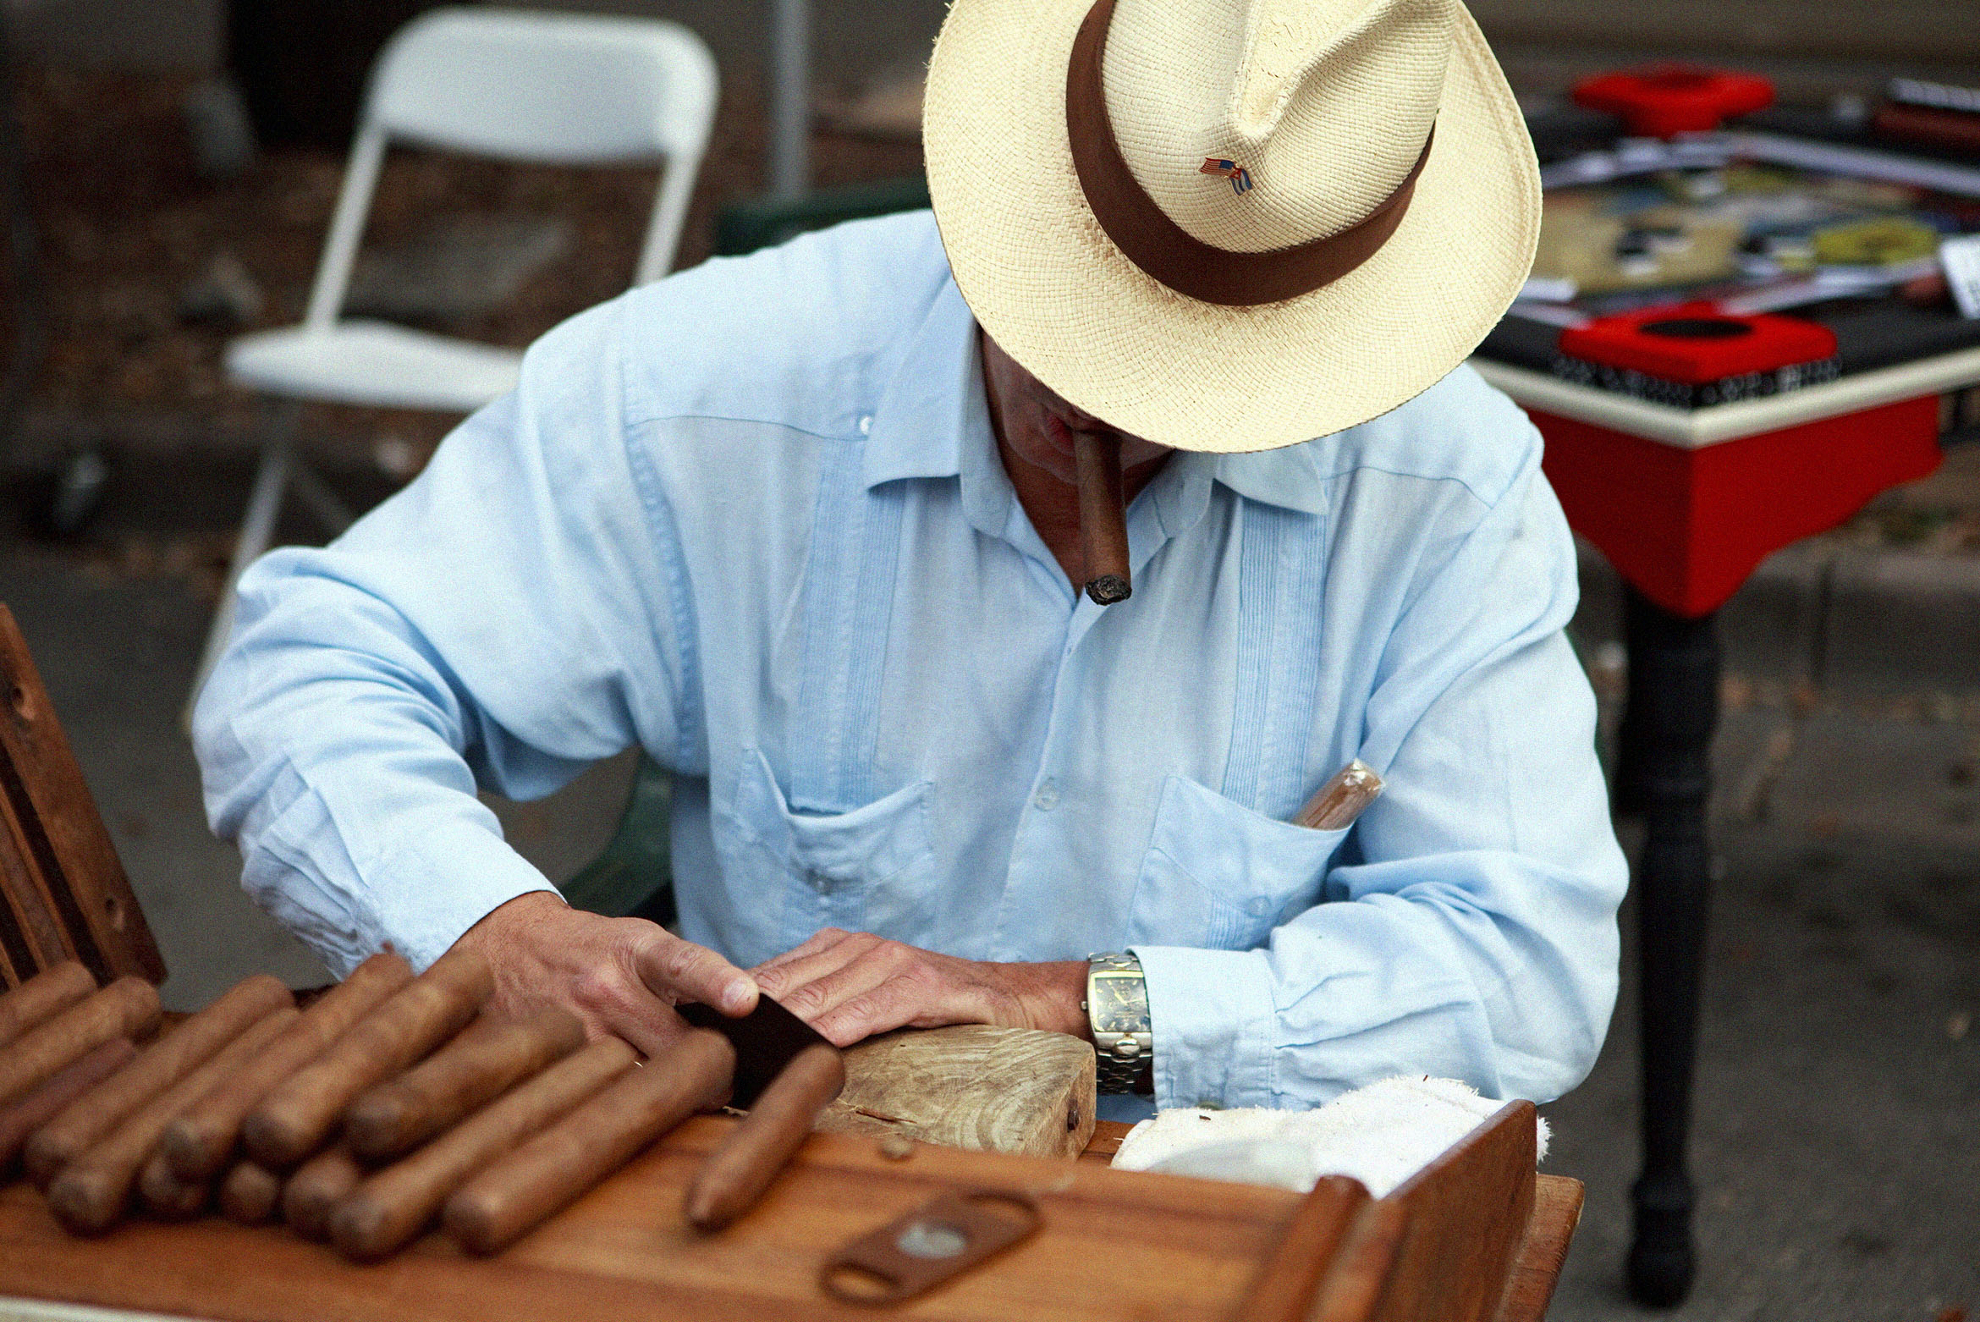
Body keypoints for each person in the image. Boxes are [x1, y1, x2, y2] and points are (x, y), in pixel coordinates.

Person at [194, 0, 1627, 1120]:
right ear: (1021, 196)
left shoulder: (1443, 485)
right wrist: (492, 931)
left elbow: (1525, 968)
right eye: (1076, 321)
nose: (1090, 407)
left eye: (1176, 382)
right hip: (772, 1178)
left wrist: (1072, 1006)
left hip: (1203, 1198)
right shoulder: (723, 382)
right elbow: (311, 666)